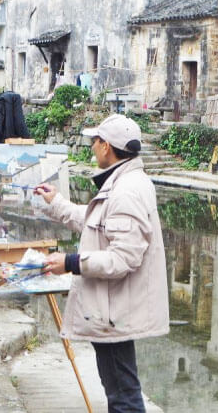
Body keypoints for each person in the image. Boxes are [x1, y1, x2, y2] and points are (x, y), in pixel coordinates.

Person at [34, 114, 169, 413]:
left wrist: (69, 262)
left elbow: (123, 258)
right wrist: (57, 203)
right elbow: (99, 224)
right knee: (119, 388)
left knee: (123, 396)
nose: (92, 148)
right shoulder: (126, 182)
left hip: (115, 310)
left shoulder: (127, 191)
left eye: (94, 142)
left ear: (106, 146)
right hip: (113, 307)